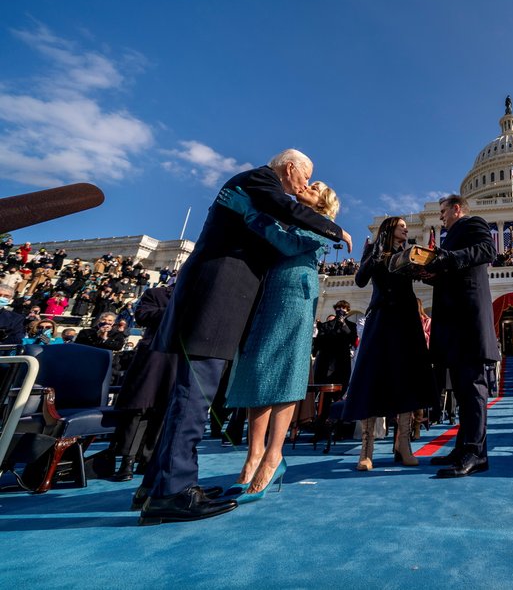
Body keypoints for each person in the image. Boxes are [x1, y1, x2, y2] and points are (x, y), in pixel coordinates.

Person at [136, 149, 351, 526]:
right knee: (196, 395)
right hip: (221, 297)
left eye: (312, 184)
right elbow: (280, 216)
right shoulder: (261, 183)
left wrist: (325, 225)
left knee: (196, 394)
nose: (303, 186)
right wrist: (335, 229)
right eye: (306, 178)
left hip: (255, 298)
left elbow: (280, 229)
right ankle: (171, 489)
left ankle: (165, 485)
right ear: (289, 170)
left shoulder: (269, 200)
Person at [217, 182, 341, 503]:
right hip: (268, 291)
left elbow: (287, 245)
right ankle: (253, 455)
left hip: (294, 295)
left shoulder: (322, 225)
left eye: (315, 187)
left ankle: (274, 455)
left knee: (286, 366)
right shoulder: (285, 215)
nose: (308, 186)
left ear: (324, 201)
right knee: (259, 367)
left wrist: (252, 215)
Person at [342, 216, 436, 471]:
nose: (406, 229)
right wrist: (374, 255)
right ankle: (366, 449)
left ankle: (403, 444)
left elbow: (426, 276)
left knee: (406, 379)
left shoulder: (410, 253)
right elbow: (361, 279)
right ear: (389, 229)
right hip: (381, 317)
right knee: (373, 378)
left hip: (406, 319)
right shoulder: (373, 251)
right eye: (401, 226)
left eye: (406, 227)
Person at [422, 194, 499, 478]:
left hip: (468, 318)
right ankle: (463, 447)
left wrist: (449, 259)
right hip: (453, 321)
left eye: (443, 211)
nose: (440, 216)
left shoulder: (472, 223)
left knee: (473, 388)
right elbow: (450, 267)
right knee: (462, 391)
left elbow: (487, 251)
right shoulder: (449, 237)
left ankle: (476, 453)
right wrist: (431, 272)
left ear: (457, 209)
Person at [107, 284, 178, 483]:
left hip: (177, 357)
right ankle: (126, 461)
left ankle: (148, 459)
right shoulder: (156, 294)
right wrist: (177, 308)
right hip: (152, 356)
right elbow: (143, 315)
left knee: (164, 410)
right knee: (140, 409)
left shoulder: (198, 295)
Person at [312, 300, 358, 389]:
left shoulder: (352, 326)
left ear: (347, 311)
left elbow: (353, 340)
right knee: (323, 386)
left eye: (343, 308)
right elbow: (319, 343)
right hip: (326, 361)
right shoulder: (325, 325)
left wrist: (344, 326)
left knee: (341, 385)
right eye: (338, 307)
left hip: (342, 361)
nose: (341, 309)